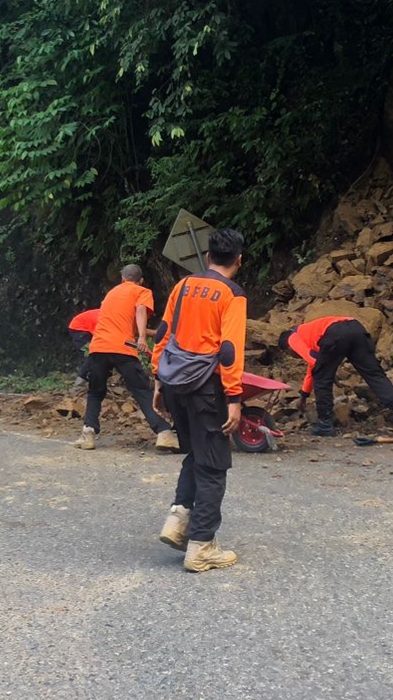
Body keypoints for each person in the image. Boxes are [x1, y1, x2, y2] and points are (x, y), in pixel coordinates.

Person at [151, 229, 247, 572]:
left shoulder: (184, 285)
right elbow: (229, 349)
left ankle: (178, 522)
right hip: (207, 388)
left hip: (175, 382)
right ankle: (202, 546)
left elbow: (164, 333)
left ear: (208, 257)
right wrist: (234, 398)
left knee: (196, 453)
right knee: (214, 465)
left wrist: (159, 380)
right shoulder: (232, 294)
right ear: (238, 260)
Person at [77, 265, 178, 452]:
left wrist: (146, 334)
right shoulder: (142, 291)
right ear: (140, 280)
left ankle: (88, 433)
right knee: (141, 390)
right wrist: (141, 337)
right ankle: (164, 433)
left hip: (98, 347)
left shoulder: (110, 294)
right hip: (123, 348)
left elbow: (122, 324)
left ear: (122, 279)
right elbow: (140, 311)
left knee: (95, 391)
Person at [278, 316, 393, 439]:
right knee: (374, 374)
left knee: (322, 379)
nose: (293, 356)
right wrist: (304, 397)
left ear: (288, 348)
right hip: (356, 328)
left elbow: (314, 363)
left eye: (290, 354)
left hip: (335, 334)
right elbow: (313, 368)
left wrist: (329, 374)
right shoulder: (310, 333)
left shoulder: (292, 337)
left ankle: (325, 424)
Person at [67, 308, 99, 391]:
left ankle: (92, 379)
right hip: (79, 330)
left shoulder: (109, 316)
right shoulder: (105, 319)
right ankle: (79, 383)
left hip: (86, 330)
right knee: (92, 354)